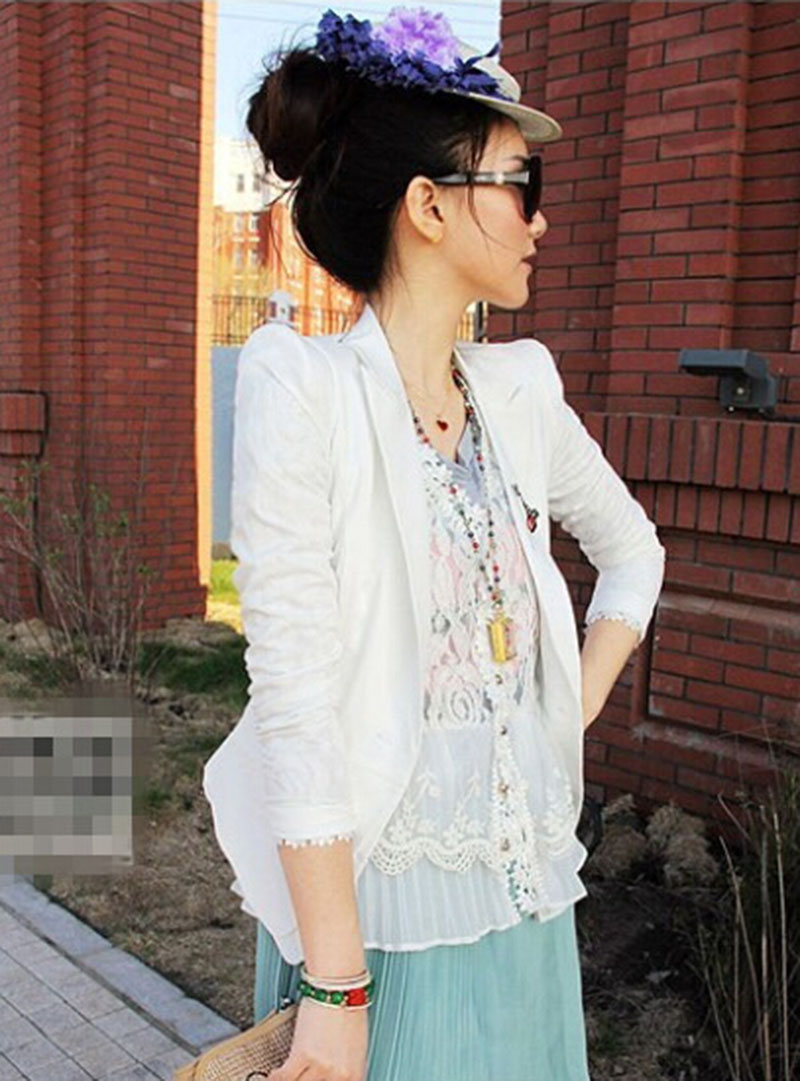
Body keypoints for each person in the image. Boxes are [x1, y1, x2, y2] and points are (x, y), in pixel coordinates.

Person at [203, 7, 666, 1080]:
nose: (538, 218)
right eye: (519, 184)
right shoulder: (301, 387)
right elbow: (295, 705)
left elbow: (632, 552)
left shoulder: (523, 389)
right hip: (377, 931)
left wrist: (562, 707)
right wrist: (335, 988)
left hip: (525, 913)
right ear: (427, 205)